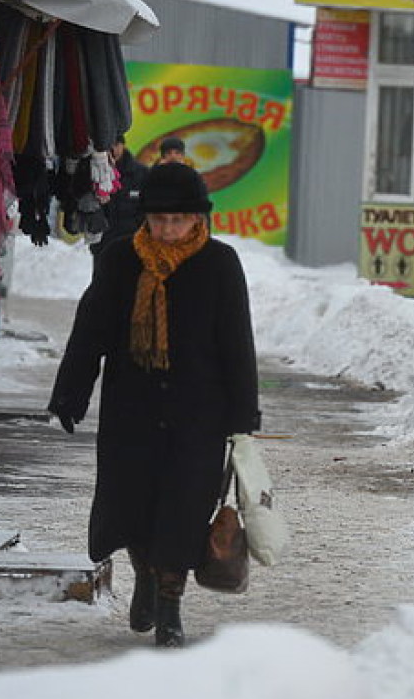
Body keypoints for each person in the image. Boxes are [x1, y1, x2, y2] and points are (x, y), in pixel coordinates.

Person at [47, 163, 261, 648]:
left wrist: (243, 416)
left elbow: (236, 343)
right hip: (132, 411)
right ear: (146, 217)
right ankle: (145, 573)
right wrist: (70, 394)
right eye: (159, 219)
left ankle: (169, 608)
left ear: (197, 219)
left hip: (198, 415)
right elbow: (90, 332)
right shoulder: (121, 259)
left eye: (178, 220)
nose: (167, 229)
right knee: (133, 507)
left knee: (183, 511)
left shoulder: (220, 263)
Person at [92, 134, 149, 263]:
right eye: (109, 146)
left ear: (123, 145)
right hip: (103, 244)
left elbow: (148, 208)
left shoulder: (141, 173)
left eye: (116, 145)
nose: (113, 150)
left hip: (133, 244)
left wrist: (137, 228)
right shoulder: (95, 173)